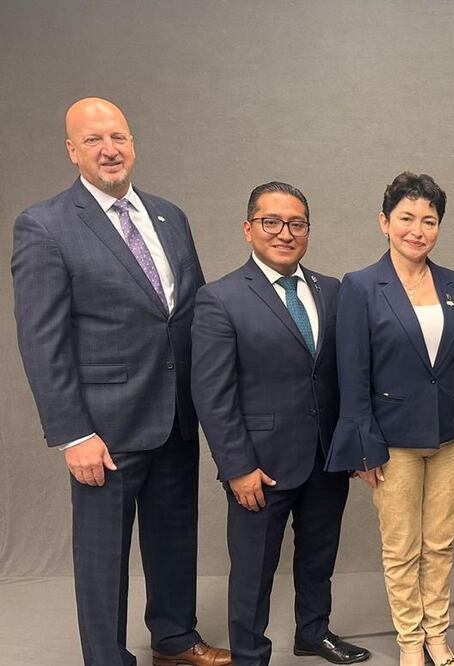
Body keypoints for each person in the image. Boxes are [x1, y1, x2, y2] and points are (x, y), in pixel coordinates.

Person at [10, 97, 229, 666]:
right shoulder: (45, 225)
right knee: (103, 555)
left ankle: (175, 640)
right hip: (103, 430)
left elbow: (194, 313)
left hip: (177, 415)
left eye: (118, 137)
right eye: (93, 141)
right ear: (71, 151)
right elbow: (42, 341)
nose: (109, 150)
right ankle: (105, 657)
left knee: (174, 538)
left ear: (133, 143)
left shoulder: (168, 216)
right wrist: (72, 434)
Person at [190, 182, 370, 666]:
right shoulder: (219, 298)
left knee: (319, 558)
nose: (285, 233)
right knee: (252, 571)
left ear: (308, 230)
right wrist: (236, 466)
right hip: (259, 467)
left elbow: (346, 374)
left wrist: (352, 447)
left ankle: (314, 633)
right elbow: (211, 393)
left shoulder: (333, 291)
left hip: (325, 458)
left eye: (297, 223)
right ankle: (250, 655)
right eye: (272, 222)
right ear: (249, 229)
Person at [325, 172, 454, 666]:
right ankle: (411, 642)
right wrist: (363, 445)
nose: (418, 229)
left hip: (450, 434)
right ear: (384, 222)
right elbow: (353, 374)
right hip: (391, 441)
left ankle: (439, 635)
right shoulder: (361, 287)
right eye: (406, 218)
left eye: (429, 220)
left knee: (441, 543)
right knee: (402, 548)